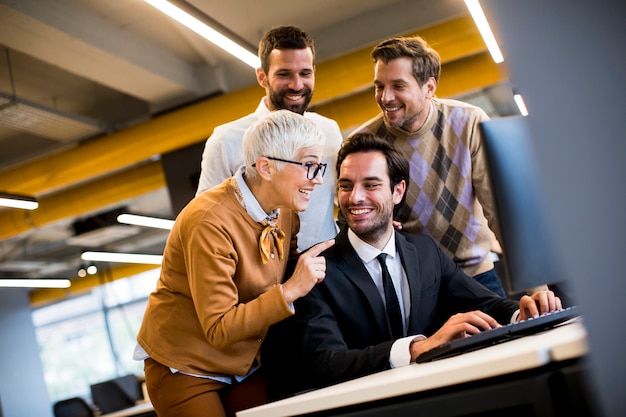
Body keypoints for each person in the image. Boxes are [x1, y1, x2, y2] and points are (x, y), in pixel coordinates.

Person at [265, 133, 562, 396]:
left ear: (398, 191)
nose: (355, 197)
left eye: (371, 185)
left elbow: (487, 304)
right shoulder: (314, 271)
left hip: (437, 395)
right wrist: (417, 348)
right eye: (346, 186)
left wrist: (526, 312)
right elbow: (326, 363)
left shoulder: (425, 251)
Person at [134, 110, 335, 417]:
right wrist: (289, 291)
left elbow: (291, 263)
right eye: (308, 165)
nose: (318, 179)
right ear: (266, 167)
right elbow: (218, 327)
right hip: (185, 365)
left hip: (244, 360)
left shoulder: (285, 210)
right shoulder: (208, 221)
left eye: (319, 166)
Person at [349, 36, 507, 296]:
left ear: (429, 86)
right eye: (379, 86)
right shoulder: (365, 142)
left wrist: (536, 287)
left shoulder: (468, 122)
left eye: (398, 86)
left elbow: (499, 210)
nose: (385, 98)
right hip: (415, 287)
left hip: (477, 274)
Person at [196, 25, 342, 252]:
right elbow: (204, 220)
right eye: (284, 74)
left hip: (329, 267)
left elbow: (345, 196)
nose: (297, 85)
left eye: (305, 73)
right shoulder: (227, 140)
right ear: (262, 77)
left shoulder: (329, 131)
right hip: (265, 273)